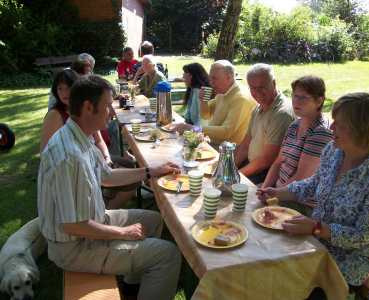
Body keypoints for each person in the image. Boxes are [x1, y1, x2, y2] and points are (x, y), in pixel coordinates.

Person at [38, 75, 182, 300]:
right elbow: (74, 226)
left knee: (154, 220)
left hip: (92, 223)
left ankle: (131, 286)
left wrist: (149, 171)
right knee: (168, 255)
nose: (111, 112)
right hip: (75, 248)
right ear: (88, 107)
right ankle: (137, 277)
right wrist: (122, 232)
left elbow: (106, 176)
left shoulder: (78, 136)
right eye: (107, 106)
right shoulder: (69, 157)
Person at [260, 92, 369, 292]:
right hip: (316, 238)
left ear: (360, 130)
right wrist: (279, 192)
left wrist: (317, 228)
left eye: (338, 124)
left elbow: (363, 235)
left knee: (298, 286)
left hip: (351, 256)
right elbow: (314, 183)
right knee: (268, 260)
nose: (331, 128)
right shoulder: (333, 150)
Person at [40, 69, 134, 209]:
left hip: (94, 159)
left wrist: (106, 159)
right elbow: (48, 154)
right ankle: (106, 207)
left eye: (68, 88)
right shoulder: (56, 116)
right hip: (82, 165)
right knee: (129, 178)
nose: (64, 93)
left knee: (130, 166)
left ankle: (105, 202)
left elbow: (99, 140)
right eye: (60, 89)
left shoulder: (82, 114)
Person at [257, 75, 332, 191]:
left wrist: (275, 194)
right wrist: (265, 187)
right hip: (278, 190)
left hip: (298, 200)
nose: (296, 101)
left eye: (303, 97)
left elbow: (301, 177)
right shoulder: (295, 125)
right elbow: (278, 162)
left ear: (319, 101)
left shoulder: (321, 133)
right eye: (295, 96)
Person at [234, 64, 294, 184]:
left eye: (262, 87)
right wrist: (229, 169)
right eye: (253, 88)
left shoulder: (281, 114)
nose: (258, 93)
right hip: (253, 165)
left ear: (274, 83)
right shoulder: (258, 108)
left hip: (266, 174)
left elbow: (267, 160)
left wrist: (236, 175)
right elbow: (245, 145)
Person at [173, 60, 256, 145]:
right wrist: (203, 101)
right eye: (210, 78)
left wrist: (194, 128)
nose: (211, 82)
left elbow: (226, 132)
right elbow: (206, 115)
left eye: (214, 78)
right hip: (213, 144)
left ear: (229, 77)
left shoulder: (240, 98)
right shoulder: (223, 91)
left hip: (229, 153)